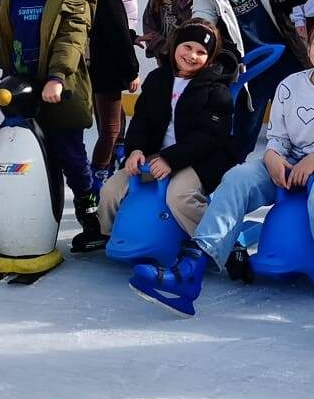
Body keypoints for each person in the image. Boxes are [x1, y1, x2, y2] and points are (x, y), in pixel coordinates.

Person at [129, 19, 314, 335]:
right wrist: (271, 156)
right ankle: (190, 270)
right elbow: (278, 138)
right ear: (308, 47)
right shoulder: (289, 86)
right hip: (290, 161)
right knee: (238, 178)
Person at [0, 0, 104, 251]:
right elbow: (7, 41)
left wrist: (56, 77)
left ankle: (92, 222)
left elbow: (72, 40)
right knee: (34, 161)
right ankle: (40, 219)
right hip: (23, 94)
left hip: (61, 91)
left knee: (71, 158)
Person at [97, 20, 235, 238]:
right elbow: (141, 119)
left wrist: (170, 159)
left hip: (197, 161)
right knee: (110, 191)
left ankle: (217, 242)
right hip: (155, 157)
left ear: (209, 58)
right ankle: (110, 236)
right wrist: (136, 150)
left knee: (179, 196)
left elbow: (210, 137)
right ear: (176, 45)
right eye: (188, 47)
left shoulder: (216, 90)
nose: (192, 55)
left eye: (201, 52)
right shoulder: (157, 79)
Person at [188, 0, 314, 159]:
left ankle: (304, 167)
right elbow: (202, 23)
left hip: (284, 61)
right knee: (243, 133)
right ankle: (230, 176)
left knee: (301, 120)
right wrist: (196, 43)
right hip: (250, 72)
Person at [85, 0, 142, 184]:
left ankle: (106, 170)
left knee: (115, 124)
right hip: (106, 73)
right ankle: (97, 176)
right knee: (110, 131)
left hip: (101, 70)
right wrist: (132, 72)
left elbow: (112, 31)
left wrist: (133, 36)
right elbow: (116, 38)